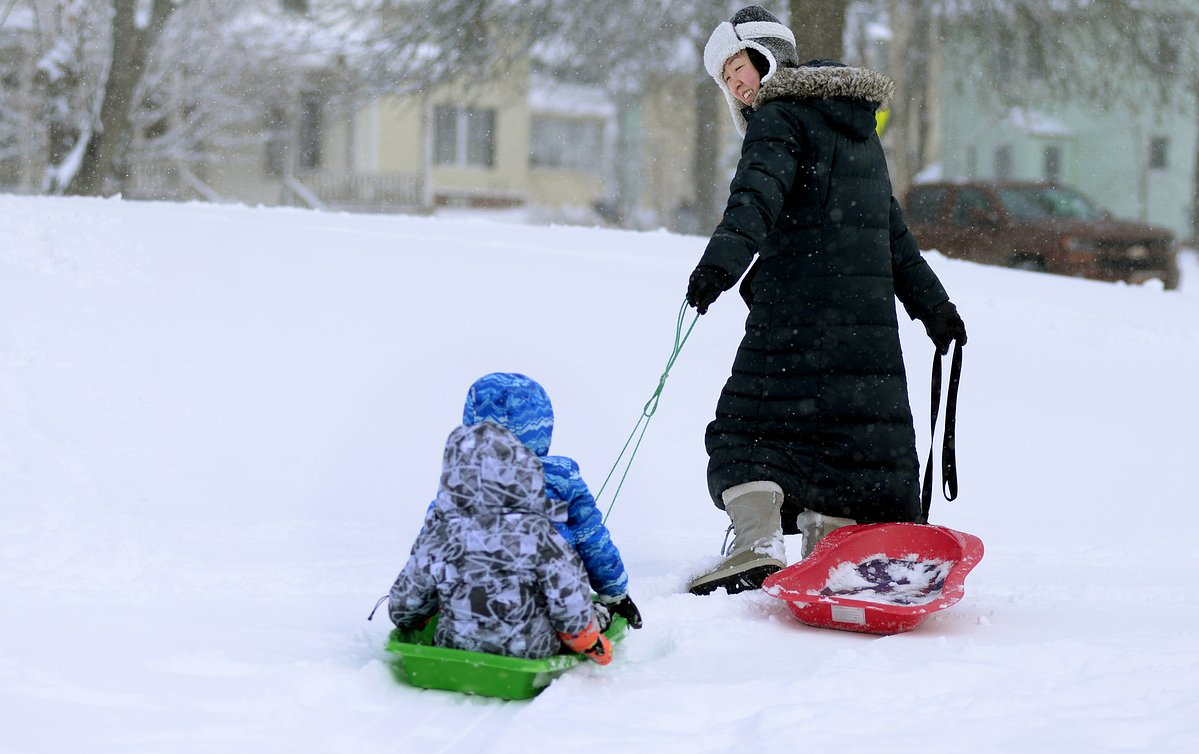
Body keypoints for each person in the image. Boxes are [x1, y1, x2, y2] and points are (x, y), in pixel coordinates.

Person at [684, 6, 968, 596]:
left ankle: (757, 544)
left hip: (795, 314)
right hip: (864, 330)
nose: (737, 86)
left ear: (768, 57)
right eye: (726, 80)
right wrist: (935, 309)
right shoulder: (858, 129)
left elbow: (753, 198)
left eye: (739, 68)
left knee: (746, 429)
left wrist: (719, 266)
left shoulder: (778, 115)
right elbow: (893, 236)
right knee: (851, 440)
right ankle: (832, 547)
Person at [388, 420, 612, 664]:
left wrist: (420, 616)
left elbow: (404, 606)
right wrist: (587, 640)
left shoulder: (440, 534)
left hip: (455, 651)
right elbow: (568, 596)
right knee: (584, 614)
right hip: (530, 653)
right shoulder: (539, 534)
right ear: (523, 474)